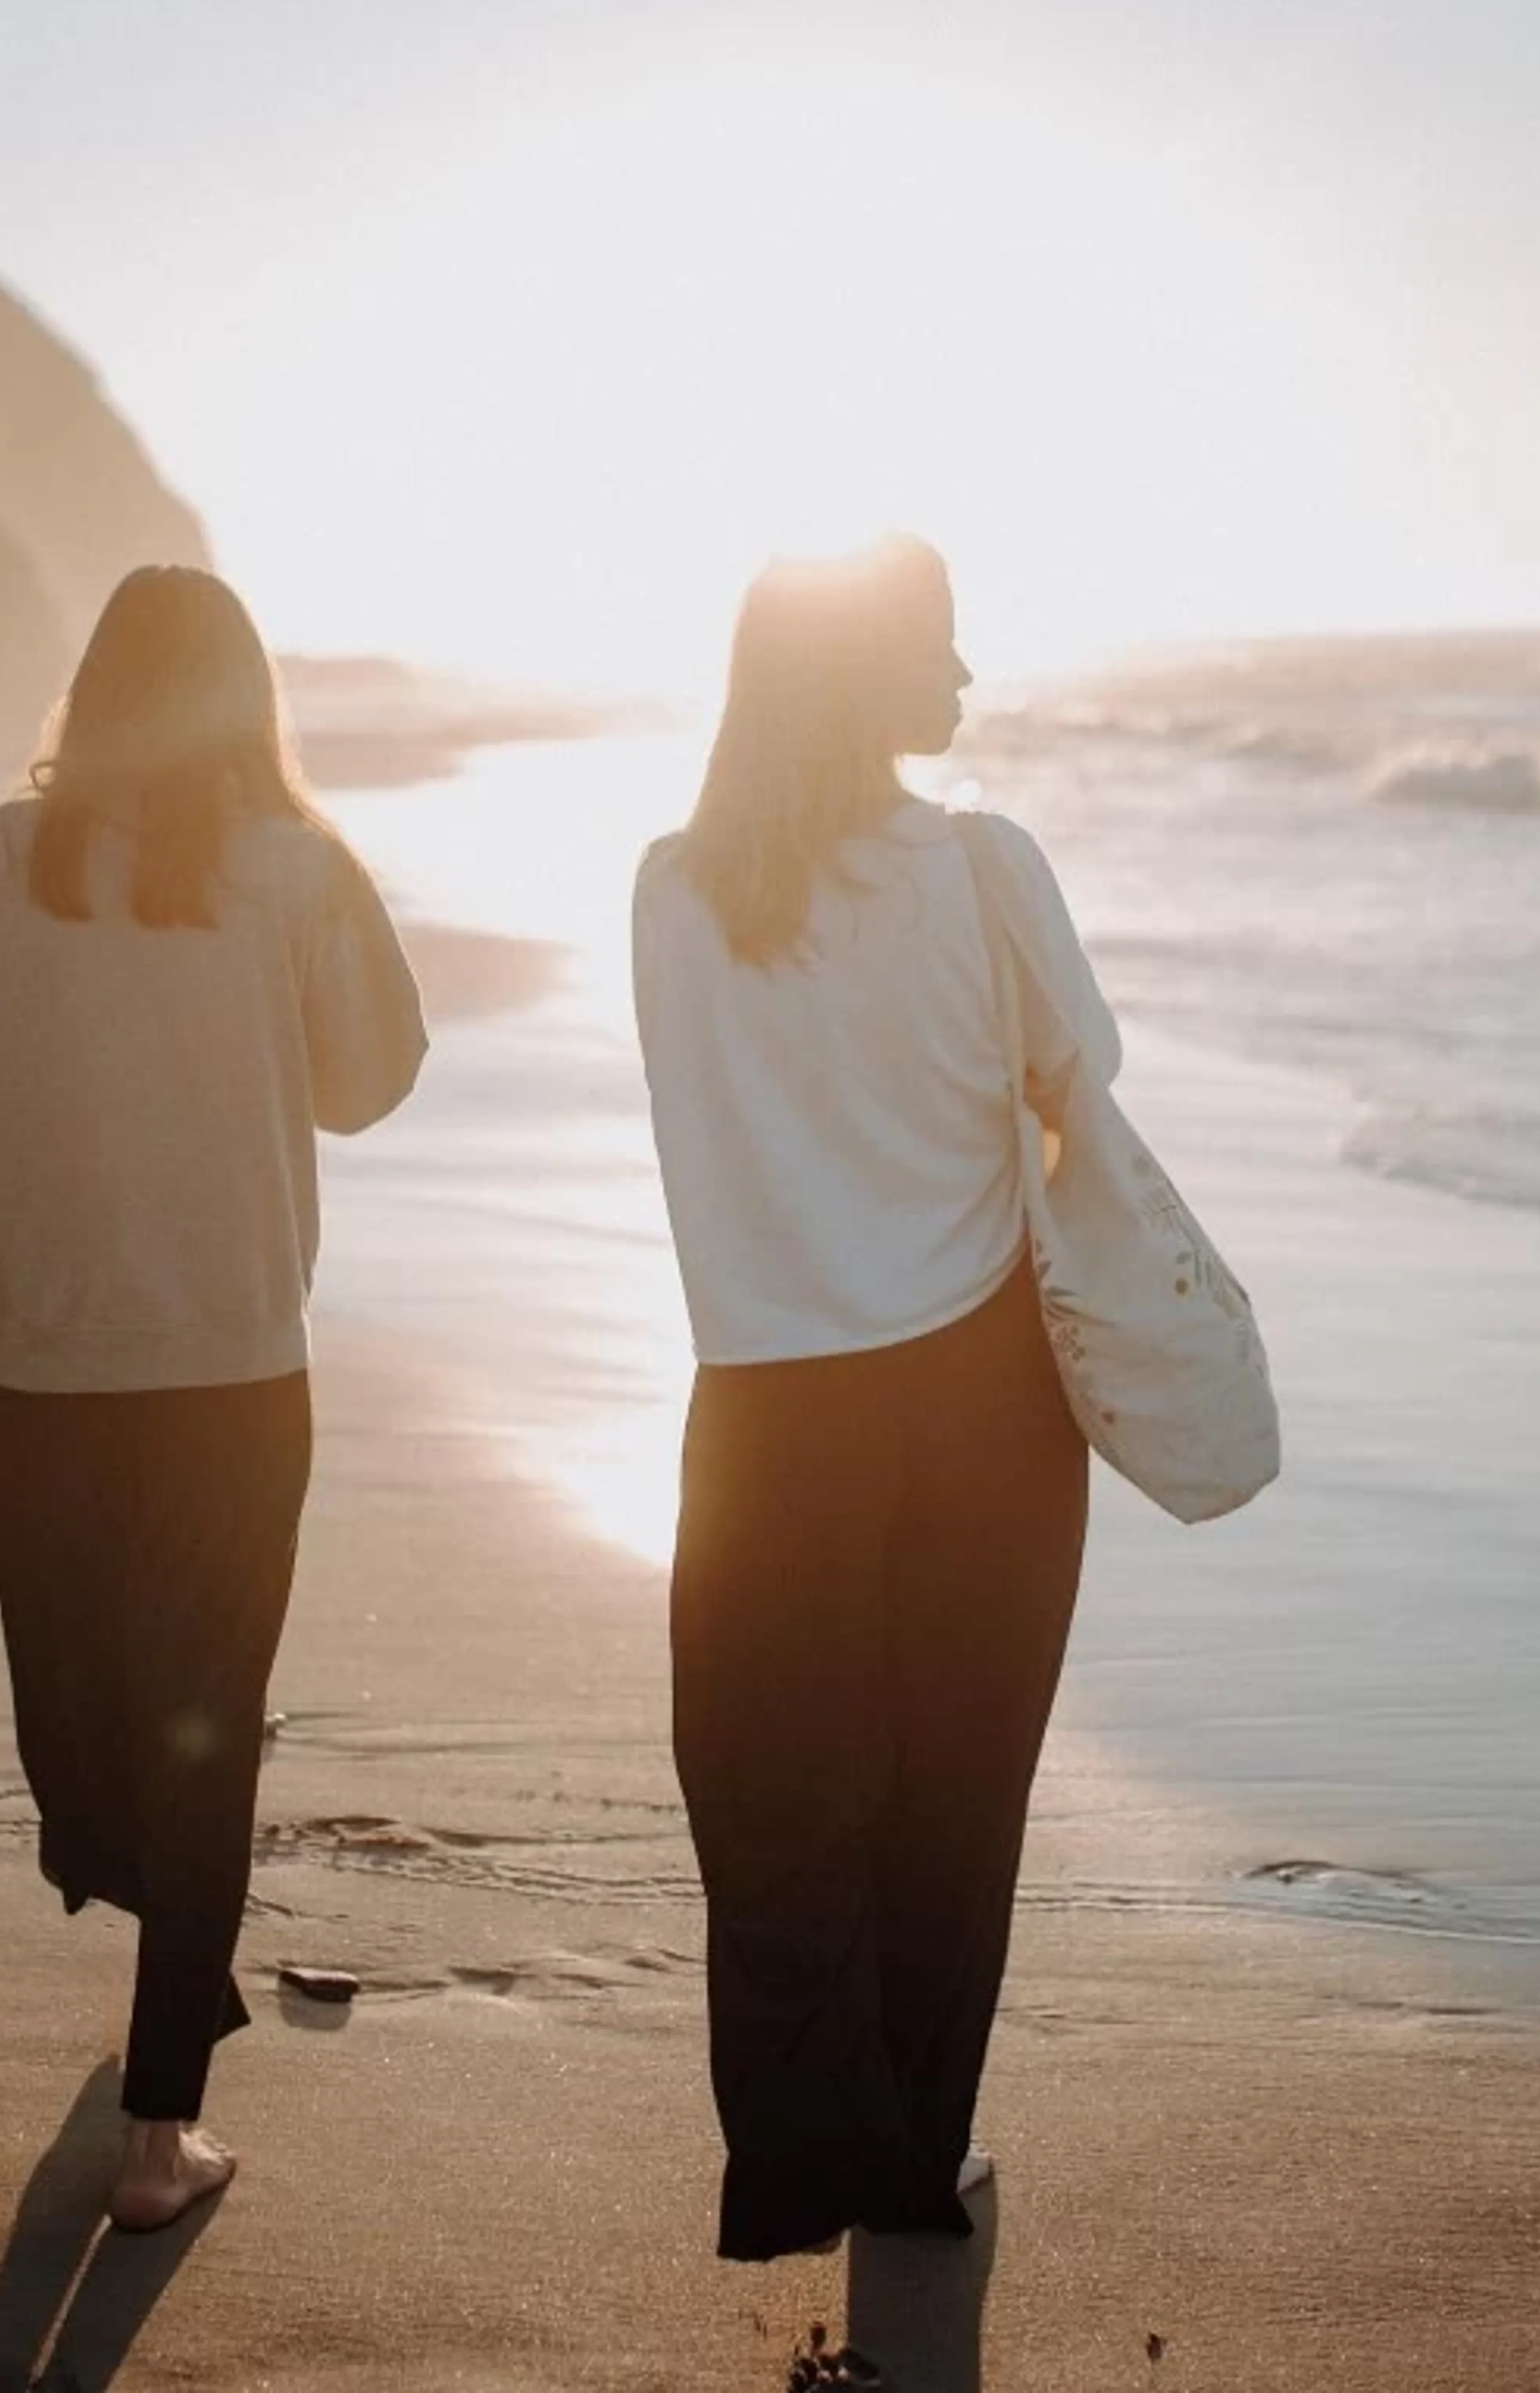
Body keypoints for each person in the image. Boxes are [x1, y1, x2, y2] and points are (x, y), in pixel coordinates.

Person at [0, 565, 427, 2232]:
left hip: (46, 1374)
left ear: (93, 694)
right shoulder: (296, 867)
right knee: (204, 1727)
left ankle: (159, 2063)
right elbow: (375, 1079)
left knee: (90, 1713)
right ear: (248, 703)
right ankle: (160, 2102)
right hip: (240, 1378)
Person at [630, 534, 1119, 2263]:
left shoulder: (672, 888)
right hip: (981, 1388)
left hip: (764, 1402)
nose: (969, 677)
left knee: (777, 1789)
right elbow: (1084, 1080)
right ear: (866, 674)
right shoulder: (987, 871)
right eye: (940, 644)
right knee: (954, 1787)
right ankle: (912, 2155)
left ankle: (808, 2151)